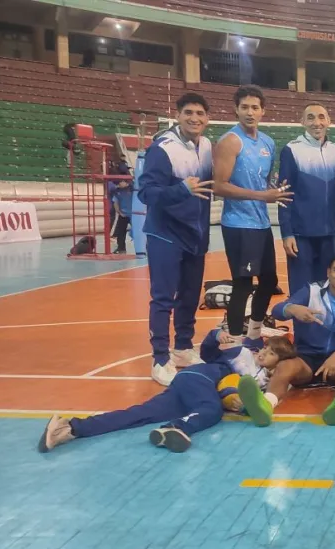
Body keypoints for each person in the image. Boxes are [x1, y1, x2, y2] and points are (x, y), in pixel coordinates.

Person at [38, 329, 296, 454]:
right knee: (211, 411)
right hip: (197, 378)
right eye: (265, 348)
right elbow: (208, 354)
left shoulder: (267, 382)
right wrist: (216, 335)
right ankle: (177, 428)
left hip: (190, 392)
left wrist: (242, 404)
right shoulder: (241, 355)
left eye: (272, 353)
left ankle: (70, 428)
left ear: (280, 361)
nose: (264, 353)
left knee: (138, 414)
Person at [139, 93, 215, 386]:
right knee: (163, 298)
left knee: (190, 295)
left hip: (195, 234)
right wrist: (181, 190)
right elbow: (147, 193)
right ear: (178, 115)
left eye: (200, 113)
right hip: (165, 235)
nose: (194, 118)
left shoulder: (207, 146)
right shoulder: (162, 148)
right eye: (188, 113)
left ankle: (183, 347)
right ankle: (159, 358)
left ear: (207, 118)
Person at [213, 85, 292, 350]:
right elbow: (219, 186)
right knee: (243, 284)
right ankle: (234, 344)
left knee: (269, 281)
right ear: (236, 109)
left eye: (255, 107)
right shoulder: (230, 141)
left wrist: (274, 188)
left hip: (261, 223)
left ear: (263, 111)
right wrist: (261, 197)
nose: (250, 112)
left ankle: (255, 332)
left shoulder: (268, 142)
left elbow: (264, 181)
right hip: (238, 224)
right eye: (244, 107)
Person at [257, 252, 335, 425]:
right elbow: (277, 310)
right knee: (285, 365)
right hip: (307, 360)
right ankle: (265, 405)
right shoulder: (311, 291)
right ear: (328, 272)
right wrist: (293, 308)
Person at [278, 103, 335, 295]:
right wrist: (286, 233)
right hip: (301, 235)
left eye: (322, 117)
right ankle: (301, 327)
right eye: (311, 117)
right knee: (302, 293)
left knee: (327, 292)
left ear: (329, 121)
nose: (317, 122)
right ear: (303, 122)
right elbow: (284, 194)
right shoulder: (291, 150)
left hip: (329, 234)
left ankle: (324, 326)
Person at [110, 178, 133, 254]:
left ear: (125, 182)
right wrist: (119, 212)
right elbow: (115, 202)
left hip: (135, 214)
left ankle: (144, 247)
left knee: (139, 231)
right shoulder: (117, 191)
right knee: (121, 232)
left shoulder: (133, 188)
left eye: (120, 182)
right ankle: (121, 248)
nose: (119, 184)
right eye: (118, 182)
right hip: (123, 214)